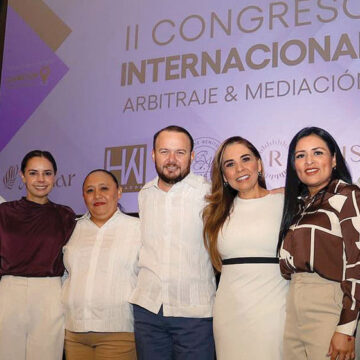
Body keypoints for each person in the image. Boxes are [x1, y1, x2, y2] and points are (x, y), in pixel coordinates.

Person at [130, 125, 216, 360]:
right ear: (153, 155)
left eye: (180, 152)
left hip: (194, 312)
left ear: (192, 156)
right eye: (164, 151)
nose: (171, 159)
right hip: (149, 311)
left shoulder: (210, 193)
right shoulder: (144, 193)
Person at [203, 136, 288, 359]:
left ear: (258, 164)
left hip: (274, 311)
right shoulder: (215, 213)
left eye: (245, 159)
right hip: (228, 313)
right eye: (229, 164)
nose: (239, 168)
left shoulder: (285, 202)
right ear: (223, 175)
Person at [278, 127, 360, 360]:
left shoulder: (347, 195)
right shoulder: (299, 206)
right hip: (294, 303)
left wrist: (346, 327)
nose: (309, 161)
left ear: (334, 159)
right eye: (300, 155)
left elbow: (358, 262)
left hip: (331, 303)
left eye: (318, 153)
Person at [0, 150, 75, 360]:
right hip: (8, 291)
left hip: (49, 292)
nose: (41, 180)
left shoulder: (65, 215)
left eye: (47, 173)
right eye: (33, 173)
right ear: (23, 176)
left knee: (47, 355)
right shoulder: (4, 212)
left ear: (55, 176)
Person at [62, 169, 140, 360]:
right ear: (83, 196)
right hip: (73, 332)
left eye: (104, 188)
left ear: (119, 192)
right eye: (90, 190)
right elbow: (64, 276)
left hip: (118, 332)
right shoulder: (71, 229)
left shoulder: (138, 228)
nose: (97, 195)